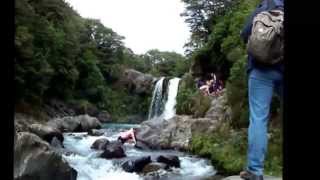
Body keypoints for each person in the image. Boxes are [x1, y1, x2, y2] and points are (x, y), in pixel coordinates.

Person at [240, 0, 284, 180]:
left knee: (258, 119)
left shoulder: (265, 7)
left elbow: (244, 33)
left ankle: (255, 171)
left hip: (261, 70)